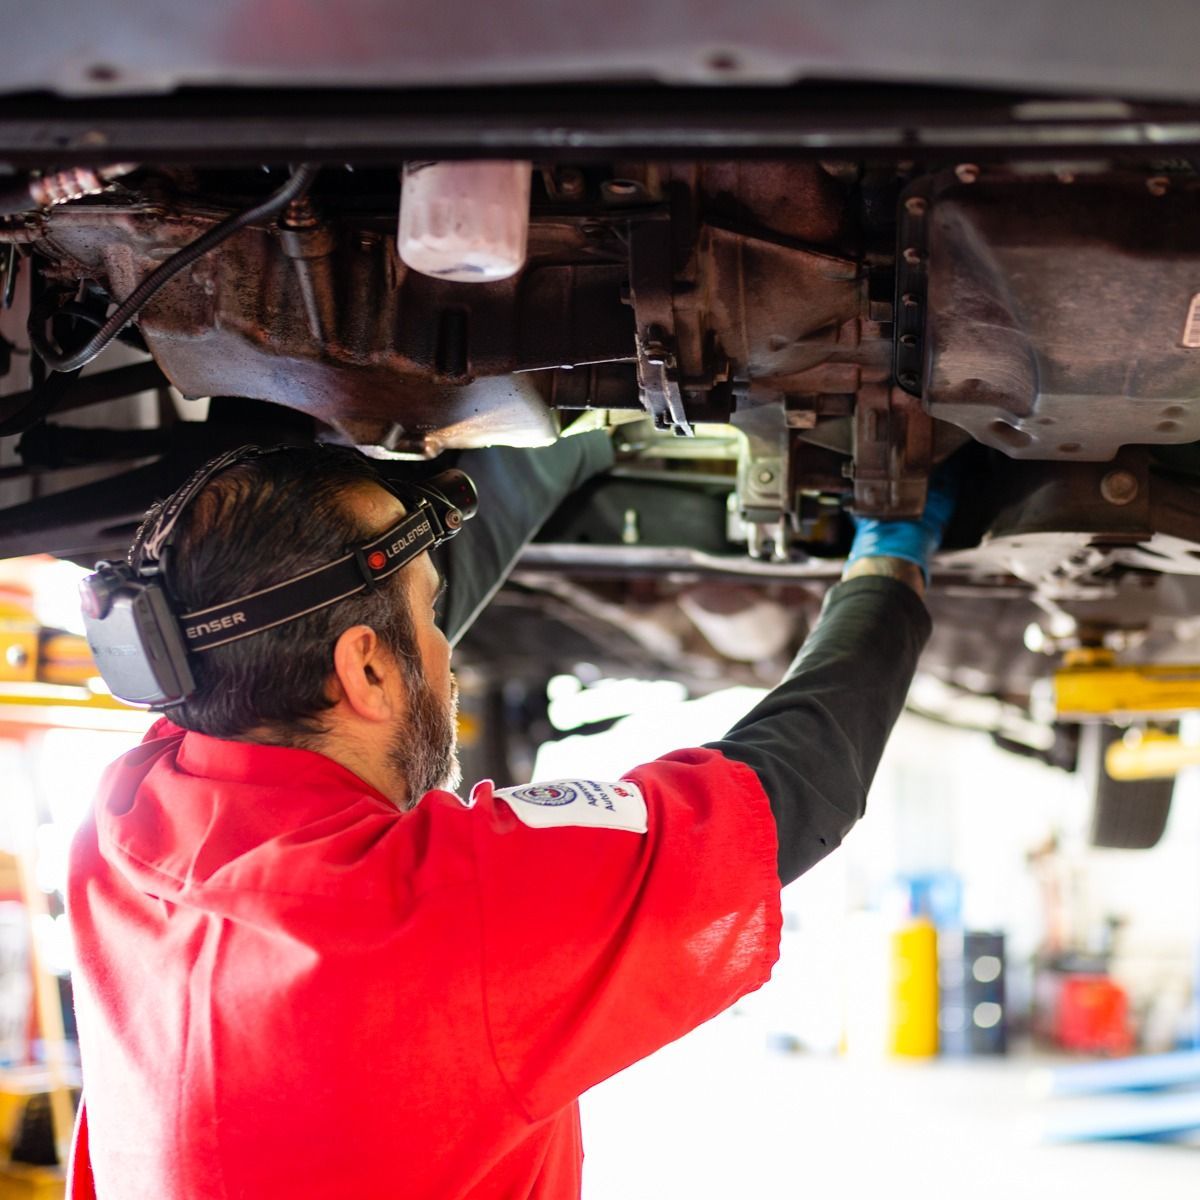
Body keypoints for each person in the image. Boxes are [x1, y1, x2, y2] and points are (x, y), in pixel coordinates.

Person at [66, 430, 952, 1199]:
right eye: (432, 615)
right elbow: (791, 791)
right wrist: (890, 561)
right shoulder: (439, 914)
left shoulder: (121, 826)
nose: (448, 659)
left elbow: (310, 643)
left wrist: (566, 441)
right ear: (366, 673)